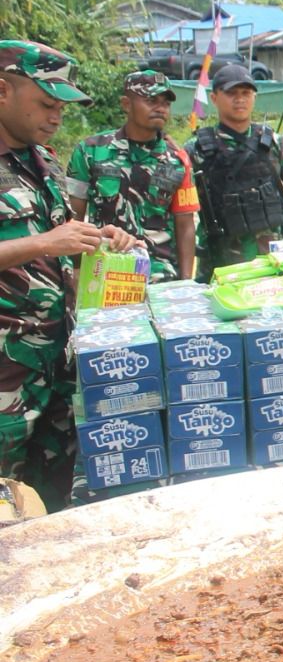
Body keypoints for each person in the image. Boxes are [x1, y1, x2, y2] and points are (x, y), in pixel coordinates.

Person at [0, 41, 140, 510]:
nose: (56, 115)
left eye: (61, 106)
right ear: (2, 91)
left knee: (52, 499)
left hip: (56, 360)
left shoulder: (44, 163)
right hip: (7, 372)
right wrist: (44, 243)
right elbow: (44, 242)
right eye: (45, 103)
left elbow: (59, 245)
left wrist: (101, 241)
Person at [64, 71, 198, 283]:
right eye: (151, 100)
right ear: (126, 104)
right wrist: (75, 272)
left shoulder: (178, 160)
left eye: (165, 103)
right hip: (104, 272)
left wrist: (186, 282)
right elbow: (72, 218)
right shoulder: (90, 151)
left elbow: (186, 225)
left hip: (160, 276)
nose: (160, 108)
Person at [187, 63, 283, 271]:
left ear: (254, 97)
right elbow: (183, 211)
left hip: (274, 258)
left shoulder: (274, 142)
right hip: (220, 262)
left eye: (246, 92)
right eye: (231, 93)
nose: (240, 99)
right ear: (214, 98)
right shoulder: (196, 149)